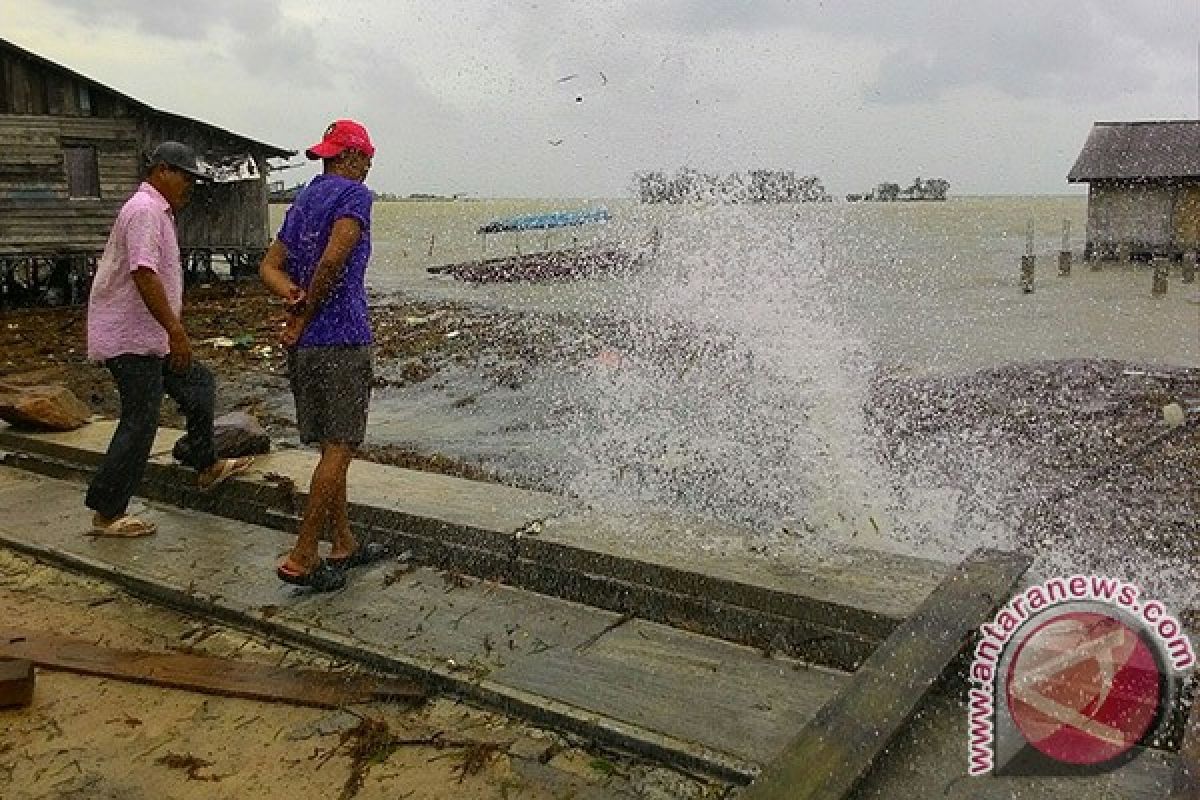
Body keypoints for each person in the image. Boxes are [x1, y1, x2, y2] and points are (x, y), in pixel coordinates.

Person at [85, 141, 254, 537]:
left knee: (198, 386)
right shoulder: (145, 212)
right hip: (131, 338)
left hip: (147, 337)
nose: (189, 187)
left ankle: (207, 466)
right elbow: (144, 273)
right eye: (184, 177)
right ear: (162, 171)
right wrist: (175, 330)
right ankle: (107, 514)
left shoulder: (156, 212)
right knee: (140, 420)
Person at [259, 119, 385, 591]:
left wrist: (292, 297)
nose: (369, 168)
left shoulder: (304, 199)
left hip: (306, 349)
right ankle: (303, 554)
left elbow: (268, 268)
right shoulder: (355, 197)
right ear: (350, 157)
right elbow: (334, 259)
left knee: (332, 446)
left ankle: (344, 541)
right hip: (341, 339)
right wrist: (305, 313)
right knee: (340, 448)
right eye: (367, 159)